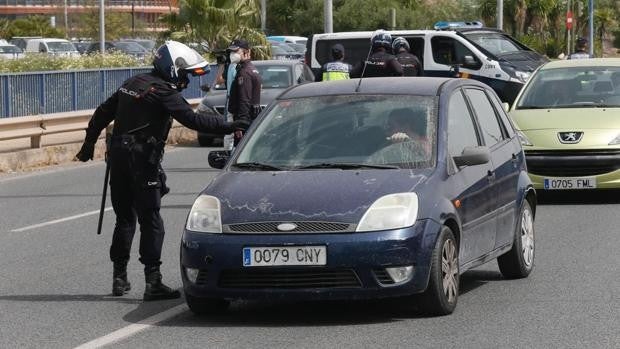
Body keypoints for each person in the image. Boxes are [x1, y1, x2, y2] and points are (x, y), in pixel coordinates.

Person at [74, 40, 248, 301]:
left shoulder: (132, 83)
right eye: (186, 75)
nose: (187, 82)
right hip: (142, 160)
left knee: (124, 219)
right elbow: (194, 120)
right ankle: (152, 282)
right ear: (173, 68)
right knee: (151, 220)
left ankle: (119, 278)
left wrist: (88, 144)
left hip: (119, 159)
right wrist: (233, 125)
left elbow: (102, 112)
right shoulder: (164, 92)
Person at [227, 39, 262, 146]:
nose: (233, 55)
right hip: (250, 120)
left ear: (246, 52)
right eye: (232, 52)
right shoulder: (251, 69)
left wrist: (240, 125)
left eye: (236, 52)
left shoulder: (244, 73)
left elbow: (244, 100)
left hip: (245, 122)